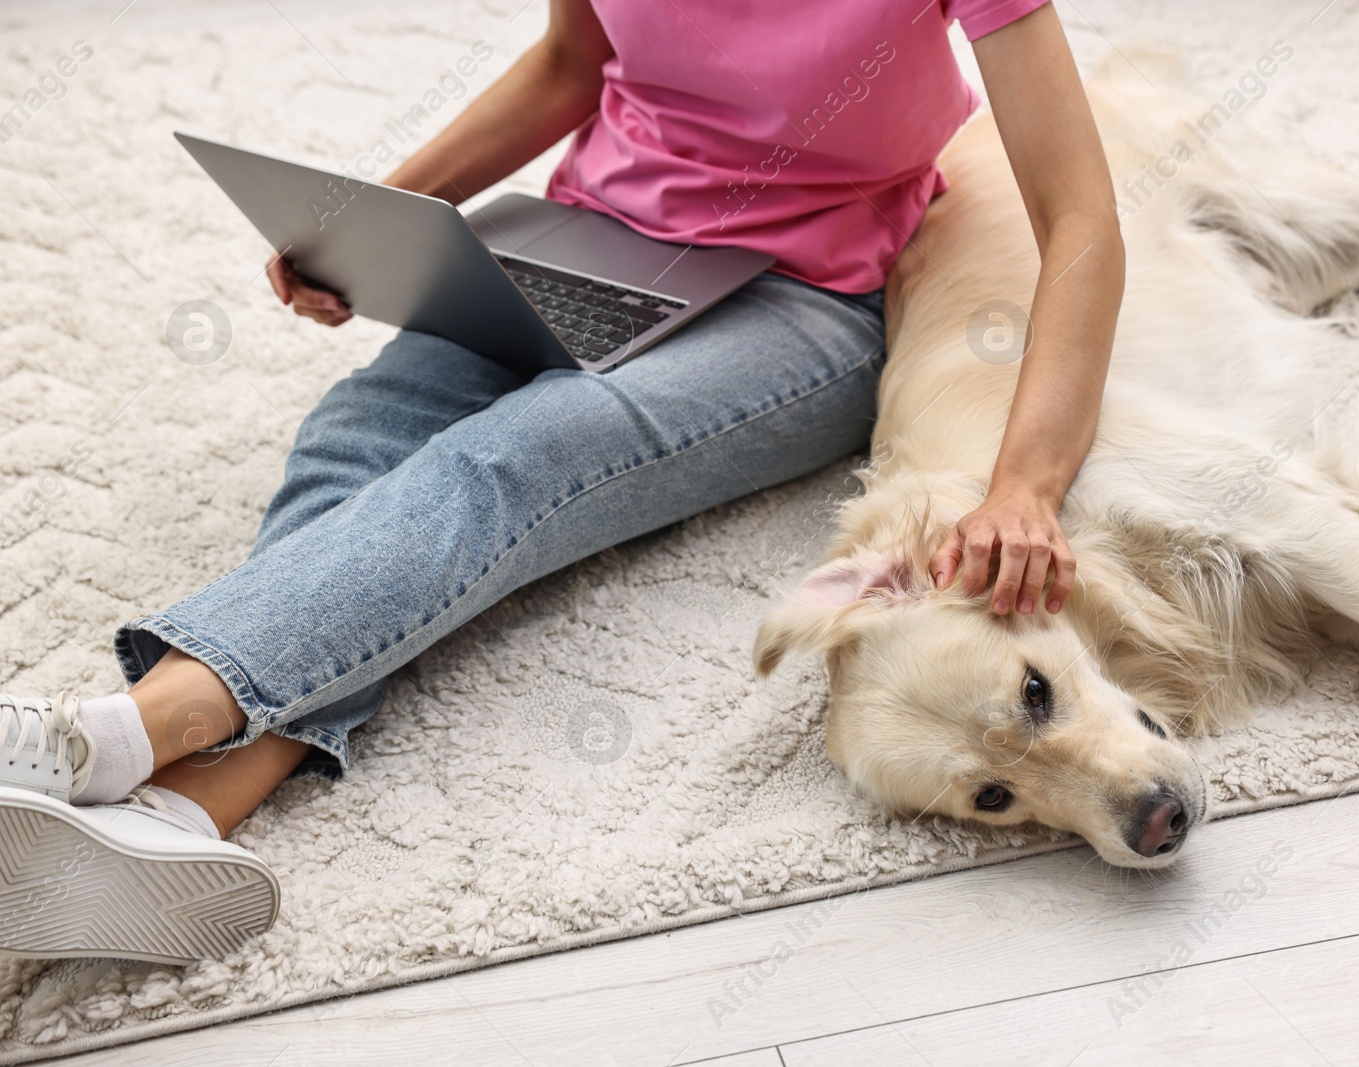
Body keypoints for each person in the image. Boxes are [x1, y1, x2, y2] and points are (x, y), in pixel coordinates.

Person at [0, 0, 1123, 962]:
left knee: (519, 457)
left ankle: (106, 736)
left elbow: (1078, 213)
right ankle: (183, 818)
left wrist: (1023, 482)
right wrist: (365, 216)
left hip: (799, 297)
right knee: (350, 442)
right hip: (584, 240)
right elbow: (567, 67)